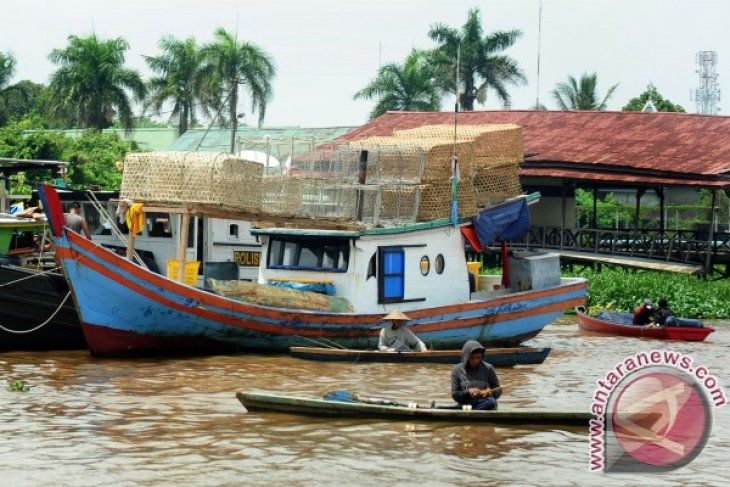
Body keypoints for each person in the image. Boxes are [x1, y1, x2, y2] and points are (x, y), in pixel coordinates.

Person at [451, 340, 501, 410]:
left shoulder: (489, 368)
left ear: (482, 356)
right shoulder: (457, 370)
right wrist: (467, 392)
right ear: (466, 357)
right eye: (472, 358)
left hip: (485, 404)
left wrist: (490, 392)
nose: (475, 361)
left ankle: (472, 408)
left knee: (491, 403)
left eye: (478, 357)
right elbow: (455, 395)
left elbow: (498, 390)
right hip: (466, 404)